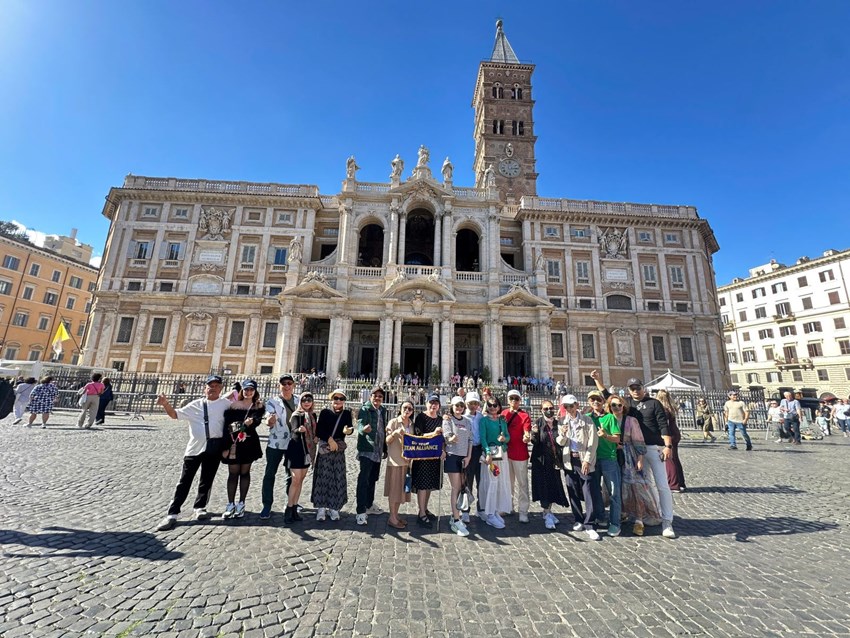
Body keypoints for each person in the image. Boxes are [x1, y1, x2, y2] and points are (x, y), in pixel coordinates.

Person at [590, 372, 676, 539]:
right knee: (639, 485)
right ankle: (637, 514)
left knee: (662, 485)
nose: (635, 390)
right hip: (631, 452)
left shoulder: (654, 403)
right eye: (632, 388)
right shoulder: (626, 403)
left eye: (638, 387)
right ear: (628, 390)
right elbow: (608, 397)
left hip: (652, 448)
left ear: (643, 388)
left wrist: (668, 446)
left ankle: (667, 521)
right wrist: (597, 380)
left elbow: (663, 425)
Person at [156, 375, 231, 531]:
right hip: (194, 449)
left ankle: (200, 507)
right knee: (184, 481)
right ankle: (172, 513)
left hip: (214, 448)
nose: (213, 388)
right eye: (210, 386)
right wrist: (165, 404)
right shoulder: (195, 405)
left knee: (207, 479)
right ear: (205, 388)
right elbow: (175, 414)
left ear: (221, 388)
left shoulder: (226, 405)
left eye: (216, 386)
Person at [556, 394, 600, 541]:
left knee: (588, 491)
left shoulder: (587, 421)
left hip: (584, 459)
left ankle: (590, 524)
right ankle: (578, 519)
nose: (569, 409)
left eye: (571, 406)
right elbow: (560, 442)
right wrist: (563, 434)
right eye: (566, 406)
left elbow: (593, 442)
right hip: (569, 460)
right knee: (572, 489)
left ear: (577, 405)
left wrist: (587, 460)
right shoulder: (562, 421)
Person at [221, 379, 265, 519]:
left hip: (249, 444)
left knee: (245, 473)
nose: (248, 392)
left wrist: (254, 417)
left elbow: (257, 422)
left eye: (251, 390)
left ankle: (241, 503)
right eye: (246, 389)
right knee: (233, 473)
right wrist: (225, 446)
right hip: (234, 444)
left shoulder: (257, 407)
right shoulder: (233, 406)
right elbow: (226, 427)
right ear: (242, 390)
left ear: (255, 392)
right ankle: (230, 504)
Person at [618, 397, 661, 536]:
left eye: (619, 405)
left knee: (637, 488)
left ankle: (639, 520)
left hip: (630, 457)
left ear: (624, 406)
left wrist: (640, 458)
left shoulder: (631, 420)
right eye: (613, 405)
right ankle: (623, 513)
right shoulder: (608, 419)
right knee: (619, 487)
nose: (616, 407)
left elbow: (638, 440)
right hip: (614, 457)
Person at [312, 389, 354, 521]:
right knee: (323, 478)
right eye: (336, 398)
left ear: (344, 401)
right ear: (332, 399)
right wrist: (330, 439)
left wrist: (348, 431)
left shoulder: (347, 413)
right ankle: (321, 508)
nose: (338, 401)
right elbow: (319, 429)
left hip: (338, 450)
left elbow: (350, 428)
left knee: (337, 478)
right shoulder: (325, 412)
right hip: (326, 447)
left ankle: (334, 508)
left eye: (341, 399)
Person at [261, 374, 298, 519]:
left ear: (293, 385)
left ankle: (290, 503)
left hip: (293, 443)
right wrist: (269, 421)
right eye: (284, 383)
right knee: (270, 474)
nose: (287, 386)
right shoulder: (272, 402)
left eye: (289, 383)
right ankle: (267, 504)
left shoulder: (299, 400)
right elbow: (268, 418)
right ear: (279, 386)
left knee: (291, 475)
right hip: (275, 443)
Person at [530, 400, 568, 530]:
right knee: (543, 487)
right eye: (545, 408)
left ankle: (549, 511)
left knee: (553, 486)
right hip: (541, 461)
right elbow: (535, 441)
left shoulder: (558, 423)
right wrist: (534, 433)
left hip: (553, 461)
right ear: (541, 410)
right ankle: (546, 513)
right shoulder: (538, 423)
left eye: (551, 408)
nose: (548, 410)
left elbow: (561, 442)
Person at [356, 386, 389, 526]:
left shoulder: (383, 410)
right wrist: (363, 429)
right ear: (370, 397)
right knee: (364, 479)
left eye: (380, 396)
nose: (377, 398)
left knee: (373, 478)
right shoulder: (365, 409)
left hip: (378, 450)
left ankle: (369, 504)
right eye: (375, 396)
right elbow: (359, 424)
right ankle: (360, 511)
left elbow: (383, 429)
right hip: (367, 449)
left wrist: (385, 448)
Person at [283, 392, 317, 523]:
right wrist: (298, 430)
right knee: (295, 480)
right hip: (296, 450)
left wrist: (316, 437)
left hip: (307, 451)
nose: (307, 402)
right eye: (304, 400)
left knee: (301, 480)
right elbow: (293, 430)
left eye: (309, 400)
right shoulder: (296, 415)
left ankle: (294, 508)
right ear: (300, 402)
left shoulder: (313, 415)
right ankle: (288, 509)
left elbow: (315, 430)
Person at [411, 394, 444, 526]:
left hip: (435, 456)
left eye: (436, 403)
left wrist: (443, 450)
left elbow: (443, 438)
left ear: (439, 406)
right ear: (426, 404)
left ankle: (424, 508)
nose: (433, 405)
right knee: (423, 485)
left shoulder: (441, 419)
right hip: (423, 456)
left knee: (429, 484)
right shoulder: (421, 417)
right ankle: (421, 513)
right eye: (431, 402)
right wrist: (433, 433)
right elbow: (418, 435)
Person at [442, 396, 472, 536]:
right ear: (452, 407)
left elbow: (470, 440)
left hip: (464, 457)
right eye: (456, 406)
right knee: (456, 487)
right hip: (452, 456)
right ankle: (455, 519)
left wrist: (469, 456)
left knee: (460, 487)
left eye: (461, 406)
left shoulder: (467, 421)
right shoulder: (448, 420)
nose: (459, 408)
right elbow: (447, 436)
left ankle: (455, 514)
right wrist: (451, 438)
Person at [479, 397, 511, 529]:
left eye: (495, 405)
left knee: (500, 483)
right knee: (491, 483)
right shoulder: (483, 421)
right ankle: (489, 513)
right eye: (490, 405)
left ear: (499, 406)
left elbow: (508, 437)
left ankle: (496, 509)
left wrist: (504, 439)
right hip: (490, 455)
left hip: (502, 454)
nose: (492, 407)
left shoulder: (502, 420)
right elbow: (483, 438)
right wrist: (487, 452)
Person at [501, 389, 532, 523]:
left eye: (516, 398)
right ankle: (508, 506)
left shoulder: (524, 415)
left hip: (520, 454)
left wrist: (527, 436)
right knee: (507, 483)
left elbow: (527, 430)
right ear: (508, 400)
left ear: (520, 400)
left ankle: (523, 510)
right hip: (506, 453)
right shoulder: (503, 414)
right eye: (511, 398)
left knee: (522, 484)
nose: (514, 401)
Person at [384, 401, 414, 529]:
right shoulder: (393, 422)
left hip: (407, 462)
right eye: (405, 407)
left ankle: (395, 515)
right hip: (395, 461)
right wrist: (394, 433)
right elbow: (387, 440)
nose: (407, 410)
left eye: (410, 409)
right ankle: (392, 518)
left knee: (400, 491)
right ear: (400, 408)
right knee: (394, 491)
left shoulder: (411, 425)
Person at [655, 389, 687, 493]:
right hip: (675, 433)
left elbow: (664, 425)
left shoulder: (663, 410)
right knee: (675, 459)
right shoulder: (671, 407)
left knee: (669, 459)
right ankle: (680, 482)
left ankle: (673, 484)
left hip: (669, 435)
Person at [463, 392, 484, 523]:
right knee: (467, 482)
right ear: (466, 404)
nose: (473, 405)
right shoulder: (462, 417)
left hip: (479, 449)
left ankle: (481, 508)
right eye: (471, 403)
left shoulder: (481, 416)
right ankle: (465, 510)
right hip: (466, 451)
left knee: (481, 481)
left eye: (475, 403)